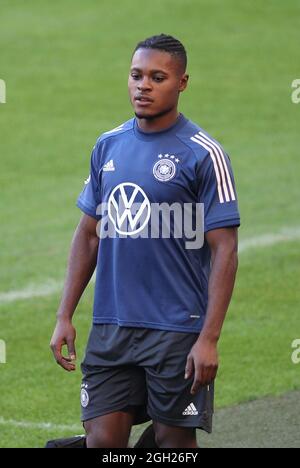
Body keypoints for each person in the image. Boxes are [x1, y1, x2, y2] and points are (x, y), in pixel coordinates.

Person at [50, 33, 240, 449]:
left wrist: (208, 338)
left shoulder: (203, 153)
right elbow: (88, 235)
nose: (144, 85)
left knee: (174, 443)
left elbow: (225, 247)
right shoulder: (108, 145)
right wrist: (65, 314)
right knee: (103, 442)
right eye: (137, 75)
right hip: (111, 327)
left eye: (158, 77)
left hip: (177, 329)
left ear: (182, 83)